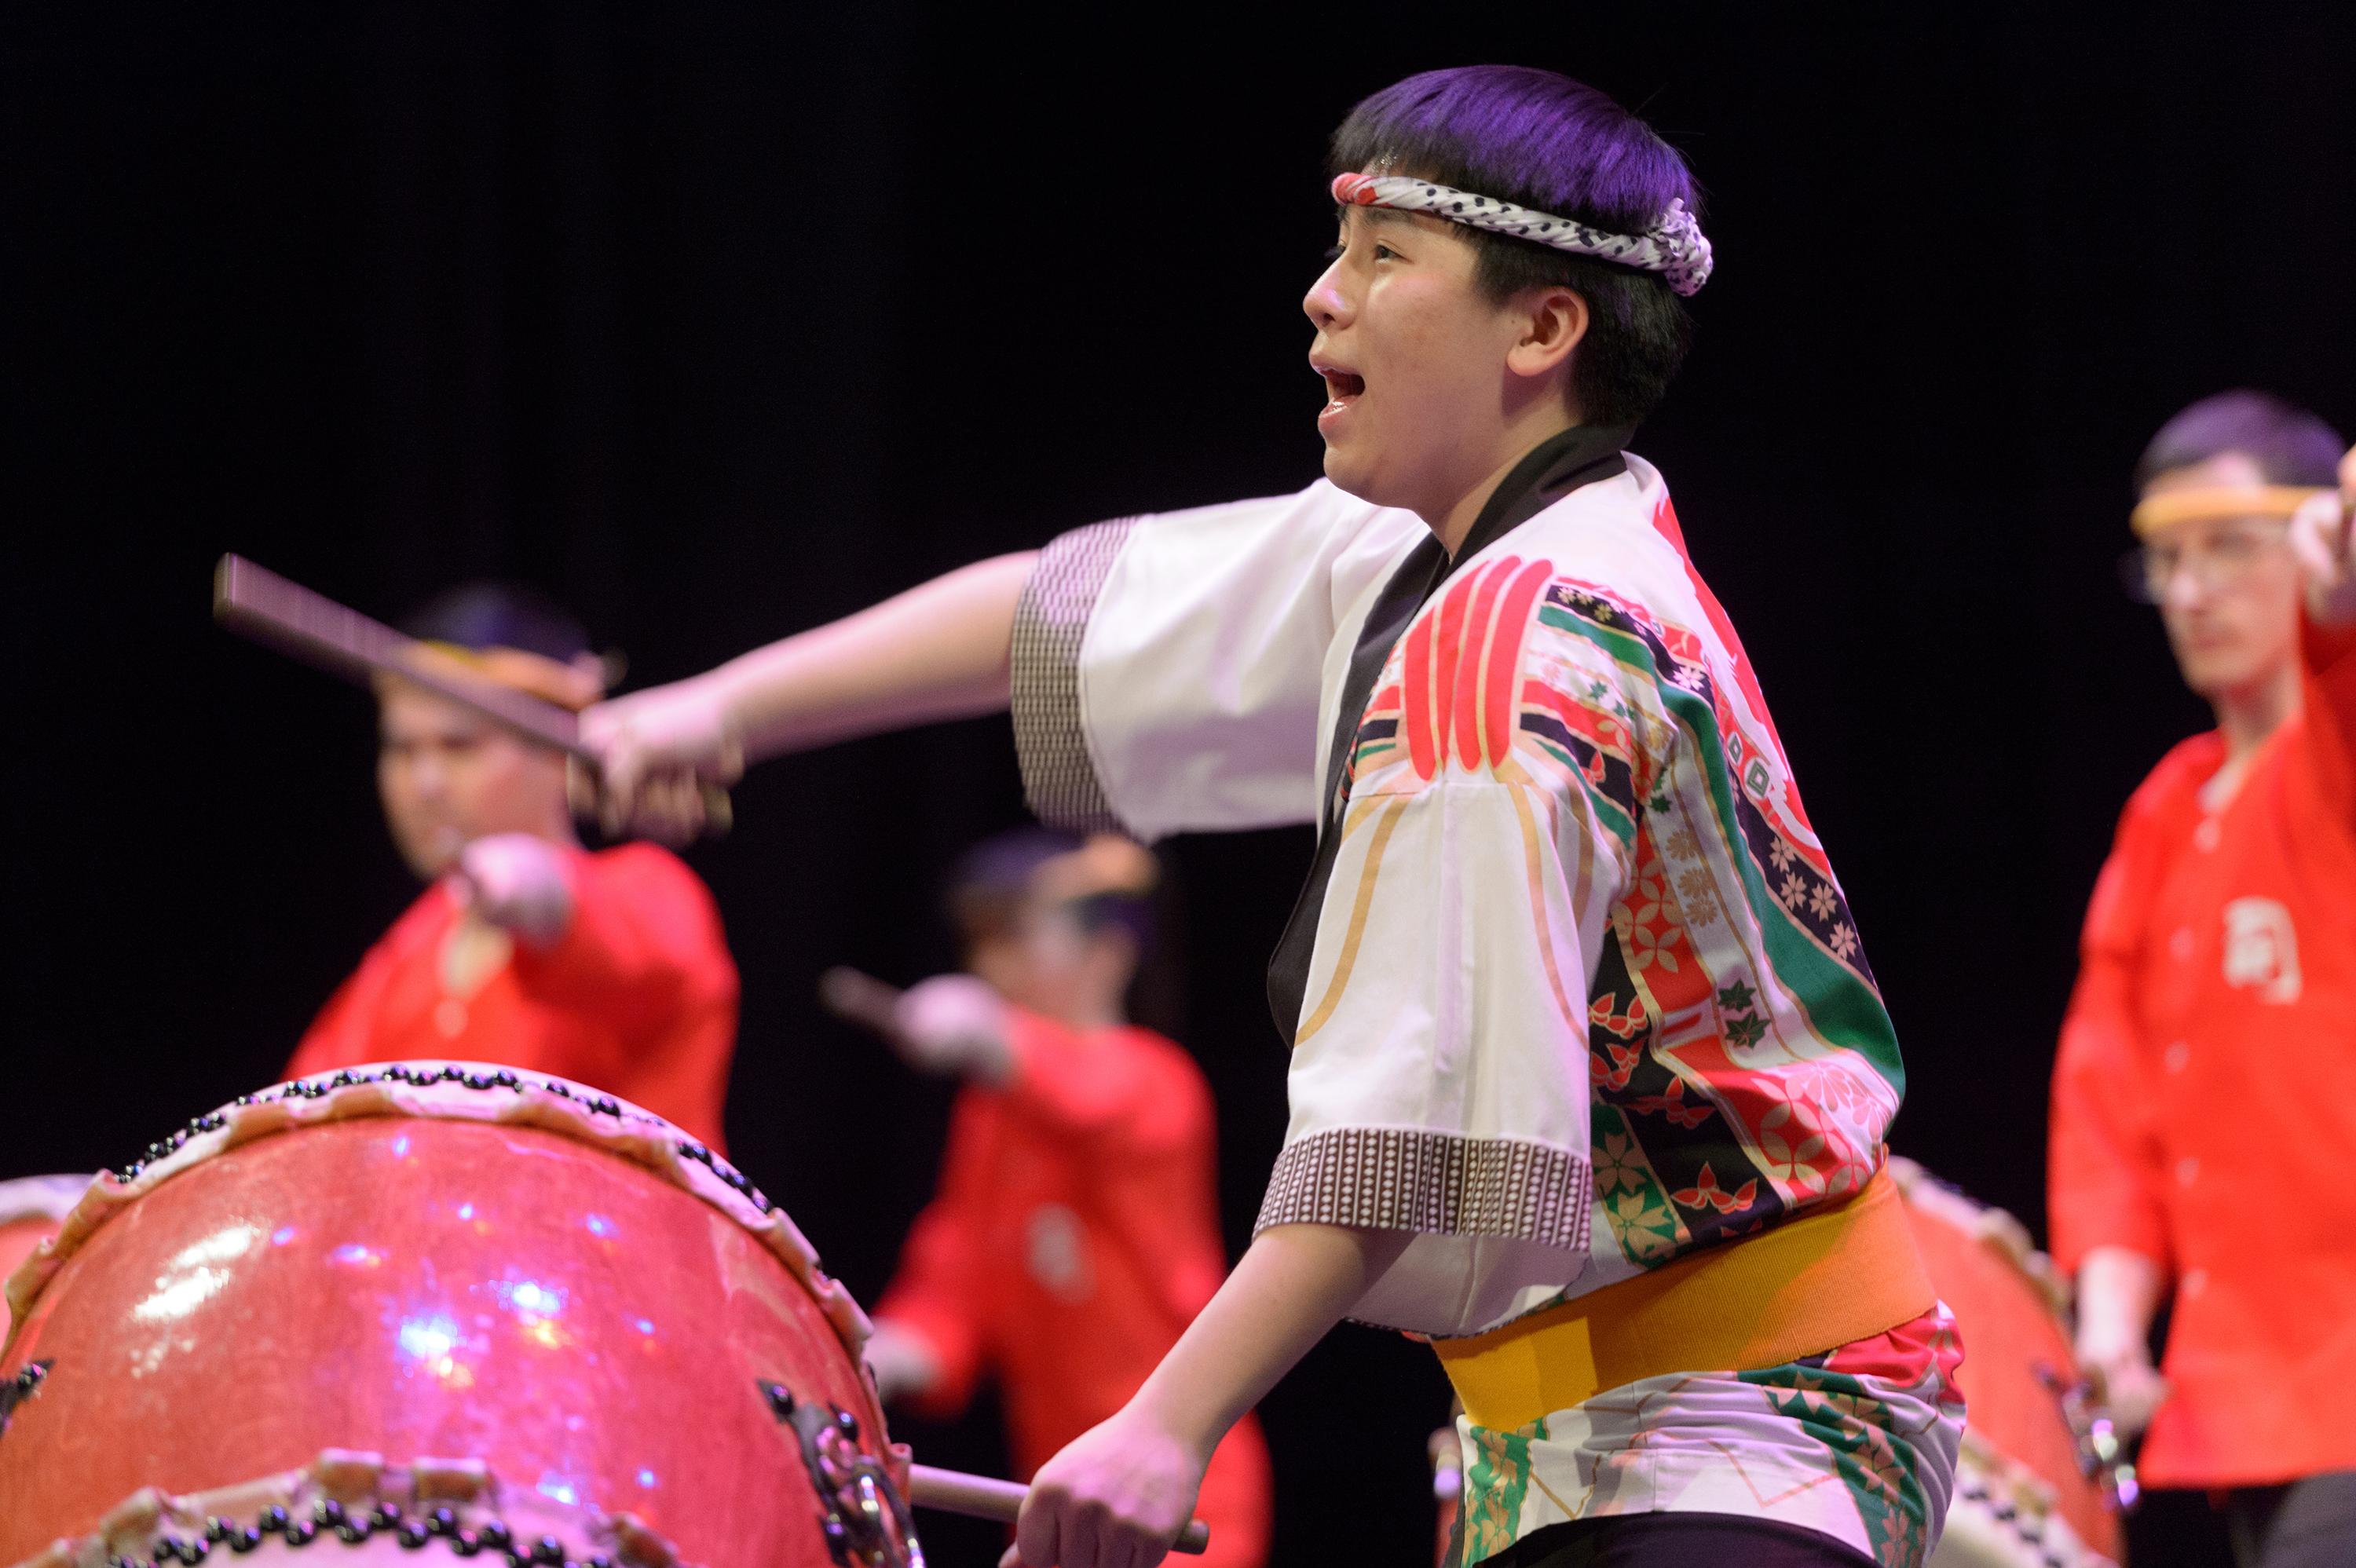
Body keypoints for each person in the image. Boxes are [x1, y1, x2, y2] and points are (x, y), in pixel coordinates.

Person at [584, 66, 1963, 1568]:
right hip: (1584, 1429)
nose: (1322, 298)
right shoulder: (1454, 546)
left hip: (1746, 1415)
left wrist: (1171, 1418)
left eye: (1383, 259)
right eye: (1338, 247)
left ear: (1542, 327)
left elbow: (1410, 1121)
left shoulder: (1522, 654)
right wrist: (720, 707)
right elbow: (1064, 616)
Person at [2048, 392, 2356, 1568]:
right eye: (2167, 558)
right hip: (2247, 1407)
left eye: (2230, 546)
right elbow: (2112, 1105)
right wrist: (2115, 1341)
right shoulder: (2168, 809)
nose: (2190, 589)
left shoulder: (2336, 753)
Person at [831, 829, 1271, 1568]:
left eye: (1019, 939)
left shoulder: (1159, 1084)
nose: (993, 965)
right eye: (986, 944)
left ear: (1109, 954)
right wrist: (892, 1352)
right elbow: (958, 1273)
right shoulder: (994, 1114)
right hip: (1059, 1491)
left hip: (1182, 1490)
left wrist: (992, 1035)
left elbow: (1086, 1096)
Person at [285, 583, 738, 1153]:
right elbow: (295, 1139)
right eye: (403, 749)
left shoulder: (650, 894)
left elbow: (613, 937)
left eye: (459, 746)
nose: (424, 783)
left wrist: (542, 890)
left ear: (556, 748)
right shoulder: (399, 961)